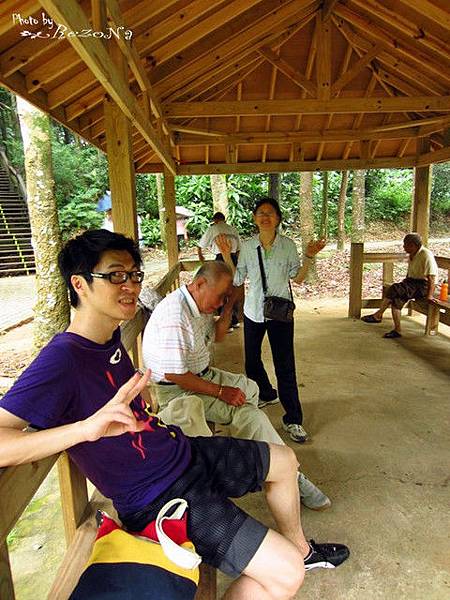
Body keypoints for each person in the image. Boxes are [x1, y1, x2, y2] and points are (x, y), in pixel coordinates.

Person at [0, 230, 349, 598]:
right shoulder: (63, 359)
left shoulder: (109, 337)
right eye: (115, 275)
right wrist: (85, 430)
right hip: (158, 496)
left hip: (179, 454)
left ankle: (302, 550)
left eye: (134, 275)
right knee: (284, 574)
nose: (131, 285)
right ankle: (295, 559)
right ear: (80, 284)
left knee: (284, 460)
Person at [142, 260, 331, 511]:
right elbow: (176, 375)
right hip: (178, 389)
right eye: (219, 295)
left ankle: (259, 453)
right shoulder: (175, 315)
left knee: (249, 392)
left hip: (202, 375)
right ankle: (289, 474)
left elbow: (219, 336)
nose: (219, 302)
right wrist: (221, 392)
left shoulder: (198, 304)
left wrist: (229, 303)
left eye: (224, 296)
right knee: (247, 412)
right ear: (199, 284)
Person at [218, 197, 325, 444]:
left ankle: (294, 419)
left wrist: (309, 257)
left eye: (270, 213)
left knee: (284, 365)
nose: (265, 216)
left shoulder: (288, 245)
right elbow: (237, 279)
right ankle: (266, 392)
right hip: (254, 311)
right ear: (255, 218)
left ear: (277, 218)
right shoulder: (246, 246)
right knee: (251, 361)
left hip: (279, 313)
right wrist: (226, 255)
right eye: (260, 213)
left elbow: (296, 279)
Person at [361, 233, 439, 338]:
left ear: (413, 245)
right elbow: (411, 272)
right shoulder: (412, 253)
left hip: (422, 286)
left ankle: (378, 315)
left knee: (394, 288)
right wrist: (405, 281)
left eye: (405, 245)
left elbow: (432, 278)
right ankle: (397, 330)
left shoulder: (426, 254)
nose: (403, 247)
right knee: (396, 300)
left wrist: (429, 296)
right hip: (411, 282)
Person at [197, 211, 242, 328]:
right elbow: (239, 249)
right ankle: (235, 318)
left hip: (221, 258)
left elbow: (200, 244)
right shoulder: (233, 229)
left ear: (215, 221)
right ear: (224, 219)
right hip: (233, 258)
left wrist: (201, 257)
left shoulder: (213, 228)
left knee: (222, 288)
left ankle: (225, 320)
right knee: (234, 287)